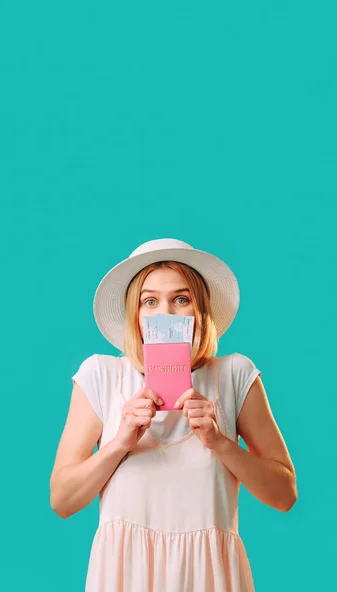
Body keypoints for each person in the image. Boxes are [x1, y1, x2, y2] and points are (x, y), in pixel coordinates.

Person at [50, 238, 298, 592]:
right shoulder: (101, 375)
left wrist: (220, 443)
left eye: (181, 299)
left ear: (201, 311)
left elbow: (284, 495)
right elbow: (62, 500)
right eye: (149, 301)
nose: (165, 312)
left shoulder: (234, 374)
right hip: (124, 577)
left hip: (209, 576)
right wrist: (119, 443)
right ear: (134, 315)